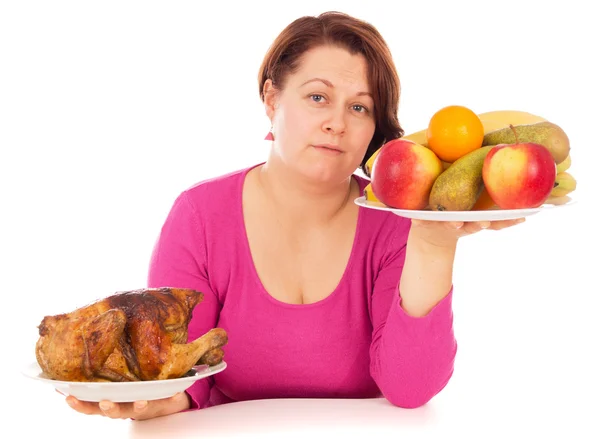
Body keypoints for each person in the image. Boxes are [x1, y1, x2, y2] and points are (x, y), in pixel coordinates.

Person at [64, 11, 524, 420]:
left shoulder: (396, 222)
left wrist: (434, 242)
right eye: (318, 98)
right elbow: (187, 379)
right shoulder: (199, 216)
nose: (337, 123)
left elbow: (411, 389)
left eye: (359, 107)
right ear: (271, 99)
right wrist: (159, 401)